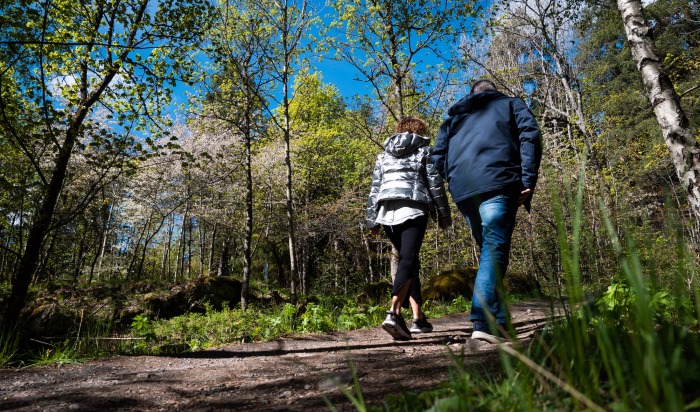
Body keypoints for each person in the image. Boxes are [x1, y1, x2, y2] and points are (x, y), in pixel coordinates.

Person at [433, 79, 542, 343]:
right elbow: (530, 136)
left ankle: (500, 322)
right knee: (494, 252)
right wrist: (527, 179)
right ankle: (482, 321)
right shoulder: (511, 104)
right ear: (494, 90)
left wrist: (452, 179)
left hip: (464, 189)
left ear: (471, 94)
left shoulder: (453, 119)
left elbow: (437, 157)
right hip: (498, 181)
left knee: (489, 253)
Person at [366, 117, 452, 340]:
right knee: (408, 259)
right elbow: (435, 185)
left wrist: (372, 220)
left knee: (410, 260)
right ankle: (393, 313)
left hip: (386, 212)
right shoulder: (424, 151)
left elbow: (375, 189)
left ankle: (417, 318)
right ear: (420, 131)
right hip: (414, 208)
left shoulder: (383, 155)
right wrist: (444, 216)